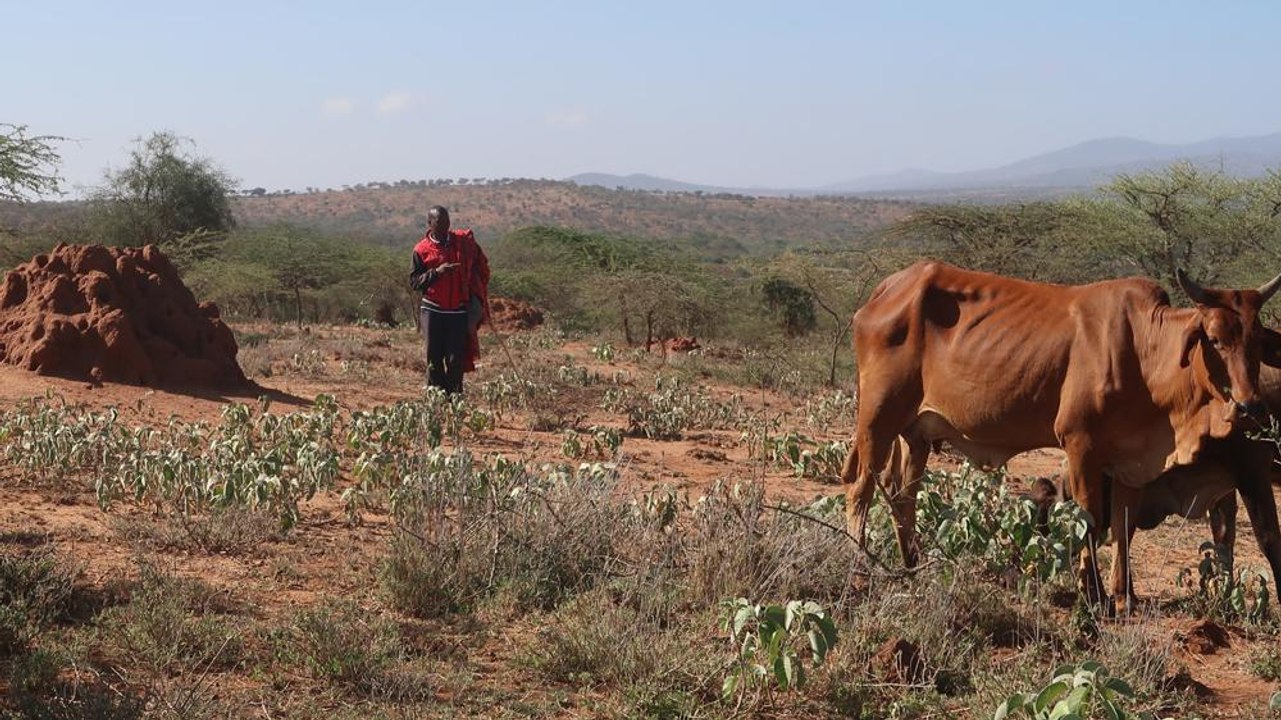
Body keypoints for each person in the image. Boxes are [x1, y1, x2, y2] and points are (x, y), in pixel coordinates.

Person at [409, 206, 490, 393]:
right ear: (430, 223)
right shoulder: (421, 250)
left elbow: (480, 263)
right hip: (433, 310)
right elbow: (414, 282)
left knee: (455, 359)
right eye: (440, 222)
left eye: (447, 222)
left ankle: (454, 401)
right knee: (434, 358)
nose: (445, 226)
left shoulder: (462, 243)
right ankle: (436, 400)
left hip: (458, 311)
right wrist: (437, 272)